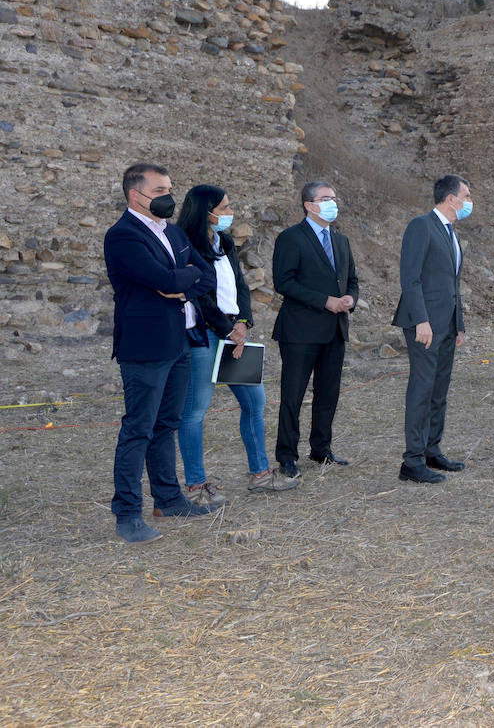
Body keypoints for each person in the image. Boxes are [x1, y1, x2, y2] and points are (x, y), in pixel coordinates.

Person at [104, 163, 216, 543]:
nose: (169, 197)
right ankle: (127, 514)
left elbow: (206, 275)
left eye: (170, 188)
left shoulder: (173, 231)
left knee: (166, 424)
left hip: (180, 341)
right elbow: (162, 279)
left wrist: (179, 285)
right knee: (139, 428)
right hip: (147, 347)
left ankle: (168, 500)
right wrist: (180, 280)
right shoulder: (123, 236)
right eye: (160, 191)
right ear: (136, 195)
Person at [175, 184, 298, 503]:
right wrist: (227, 329)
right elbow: (198, 295)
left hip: (234, 333)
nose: (230, 213)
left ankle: (260, 474)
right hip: (204, 334)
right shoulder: (185, 244)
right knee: (195, 410)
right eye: (225, 208)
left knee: (255, 402)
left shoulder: (225, 241)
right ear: (206, 212)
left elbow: (241, 286)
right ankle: (196, 487)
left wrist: (242, 322)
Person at [271, 181, 359, 477]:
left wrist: (350, 299)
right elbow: (284, 282)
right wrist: (325, 301)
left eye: (333, 198)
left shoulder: (341, 240)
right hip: (300, 331)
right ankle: (287, 455)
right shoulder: (291, 238)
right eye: (325, 198)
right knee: (293, 395)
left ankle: (321, 448)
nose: (332, 203)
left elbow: (352, 281)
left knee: (328, 393)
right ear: (309, 205)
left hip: (335, 330)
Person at [392, 175, 472, 484]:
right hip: (424, 324)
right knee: (422, 389)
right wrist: (421, 320)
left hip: (447, 325)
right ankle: (412, 461)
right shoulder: (421, 226)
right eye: (466, 196)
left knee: (439, 391)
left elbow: (453, 284)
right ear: (451, 199)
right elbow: (410, 278)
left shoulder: (451, 233)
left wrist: (458, 324)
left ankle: (431, 450)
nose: (469, 202)